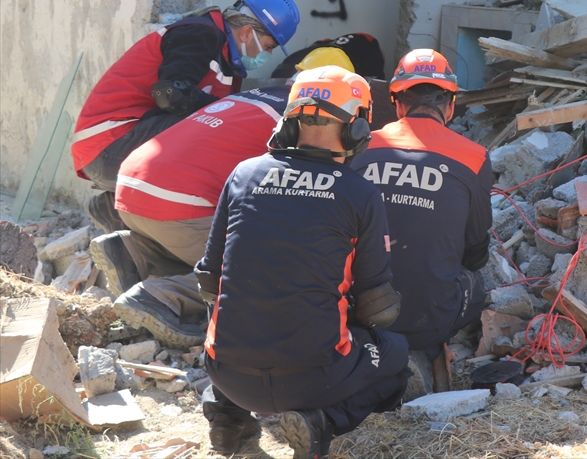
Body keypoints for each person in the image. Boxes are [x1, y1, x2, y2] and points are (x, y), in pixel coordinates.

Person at [196, 67, 408, 458]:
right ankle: (322, 421)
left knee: (229, 314)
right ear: (358, 128)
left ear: (289, 122)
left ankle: (228, 418)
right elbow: (378, 308)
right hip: (314, 380)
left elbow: (209, 281)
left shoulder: (243, 174)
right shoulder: (359, 193)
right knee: (396, 352)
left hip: (227, 374)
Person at [72, 0, 299, 233]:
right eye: (268, 46)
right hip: (107, 145)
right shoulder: (200, 34)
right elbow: (171, 95)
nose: (267, 54)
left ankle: (116, 210)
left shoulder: (227, 61)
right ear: (246, 33)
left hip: (117, 148)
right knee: (213, 132)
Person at [90, 84, 291, 347]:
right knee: (268, 271)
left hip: (130, 187)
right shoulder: (305, 121)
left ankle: (134, 252)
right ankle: (160, 296)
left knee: (201, 244)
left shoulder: (256, 96)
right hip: (177, 205)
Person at [350, 49, 492, 361]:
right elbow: (475, 251)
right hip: (429, 324)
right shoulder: (474, 157)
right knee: (476, 282)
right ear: (450, 106)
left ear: (397, 104)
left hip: (357, 315)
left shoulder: (360, 149)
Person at [272, 33, 385, 80]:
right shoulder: (370, 46)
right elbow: (375, 88)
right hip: (307, 69)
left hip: (291, 63)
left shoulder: (330, 42)